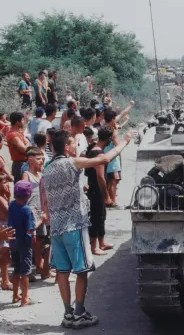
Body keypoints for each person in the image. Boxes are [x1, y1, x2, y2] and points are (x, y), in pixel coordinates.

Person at [40, 129, 131, 328]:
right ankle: (80, 313)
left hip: (56, 229)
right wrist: (123, 143)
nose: (74, 147)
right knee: (81, 270)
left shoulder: (47, 169)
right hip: (74, 225)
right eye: (72, 144)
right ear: (65, 146)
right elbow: (104, 159)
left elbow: (45, 198)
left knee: (62, 272)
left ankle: (68, 314)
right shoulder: (72, 163)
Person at [85, 126, 116, 255]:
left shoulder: (93, 148)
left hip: (94, 188)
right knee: (96, 217)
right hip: (96, 190)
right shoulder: (98, 153)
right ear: (108, 138)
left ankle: (101, 242)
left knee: (101, 215)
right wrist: (106, 195)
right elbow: (100, 176)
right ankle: (94, 247)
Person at [22, 147, 50, 280]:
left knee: (40, 239)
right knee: (33, 240)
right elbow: (24, 194)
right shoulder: (26, 175)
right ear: (30, 160)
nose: (42, 161)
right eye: (39, 159)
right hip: (32, 211)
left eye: (42, 158)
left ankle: (40, 264)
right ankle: (36, 265)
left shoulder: (41, 174)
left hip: (42, 210)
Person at [8, 180, 35, 306]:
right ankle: (25, 298)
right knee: (25, 271)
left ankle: (15, 295)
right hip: (24, 243)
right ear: (29, 195)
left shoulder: (11, 205)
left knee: (16, 269)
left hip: (13, 242)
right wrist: (41, 220)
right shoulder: (27, 210)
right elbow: (30, 229)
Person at [6, 112, 30, 181]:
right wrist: (27, 143)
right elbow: (24, 149)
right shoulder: (13, 135)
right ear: (17, 122)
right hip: (20, 164)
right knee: (21, 187)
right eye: (22, 120)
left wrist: (27, 143)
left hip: (24, 162)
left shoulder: (19, 132)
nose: (24, 122)